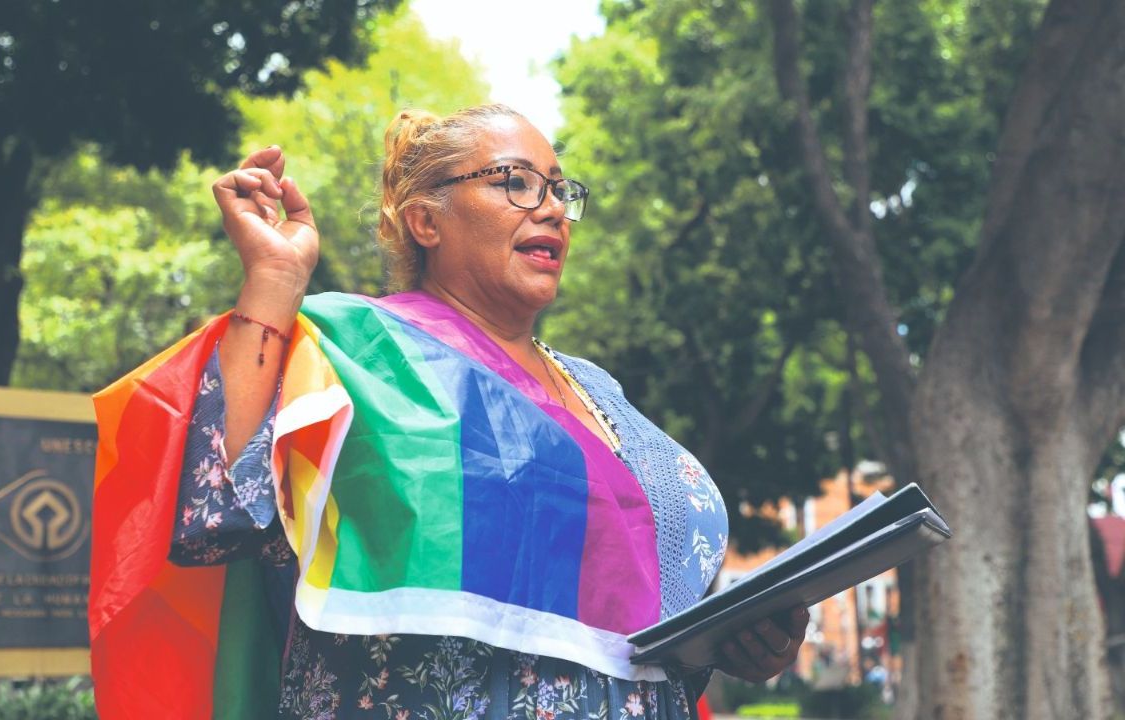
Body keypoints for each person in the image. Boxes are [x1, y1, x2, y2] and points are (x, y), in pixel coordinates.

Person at [89, 104, 807, 720]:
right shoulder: (358, 348)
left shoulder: (598, 392)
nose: (552, 207)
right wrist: (275, 279)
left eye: (559, 189)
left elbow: (641, 617)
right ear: (425, 221)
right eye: (516, 182)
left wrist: (740, 642)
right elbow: (223, 511)